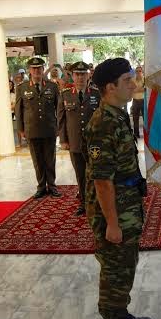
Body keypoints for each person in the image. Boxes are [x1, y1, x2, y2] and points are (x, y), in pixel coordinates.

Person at [84, 58, 152, 319]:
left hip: (126, 202)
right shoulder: (102, 123)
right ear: (110, 87)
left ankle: (121, 313)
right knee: (115, 267)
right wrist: (112, 222)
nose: (134, 84)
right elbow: (102, 182)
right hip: (113, 209)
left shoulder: (118, 114)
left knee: (126, 263)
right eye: (127, 80)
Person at [58, 61, 100, 216]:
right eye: (77, 74)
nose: (80, 77)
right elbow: (61, 120)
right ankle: (83, 203)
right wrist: (63, 140)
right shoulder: (65, 94)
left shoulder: (97, 94)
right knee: (80, 175)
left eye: (83, 74)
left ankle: (97, 203)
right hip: (75, 143)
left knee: (95, 174)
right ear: (72, 76)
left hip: (94, 144)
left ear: (89, 75)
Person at [15, 57, 61, 198]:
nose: (37, 71)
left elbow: (58, 109)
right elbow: (18, 110)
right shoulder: (22, 87)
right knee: (37, 160)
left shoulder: (52, 86)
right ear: (29, 70)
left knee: (50, 159)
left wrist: (59, 127)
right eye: (34, 68)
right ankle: (41, 187)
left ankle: (52, 186)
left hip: (49, 129)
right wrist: (21, 129)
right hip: (31, 129)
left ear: (43, 69)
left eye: (39, 68)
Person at [131, 66, 145, 138]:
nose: (138, 73)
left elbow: (145, 90)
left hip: (143, 100)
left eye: (140, 71)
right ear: (135, 72)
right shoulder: (133, 80)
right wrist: (140, 89)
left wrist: (137, 89)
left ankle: (146, 134)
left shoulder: (145, 80)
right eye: (137, 71)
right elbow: (131, 90)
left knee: (145, 118)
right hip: (135, 101)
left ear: (142, 72)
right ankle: (136, 134)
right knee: (135, 118)